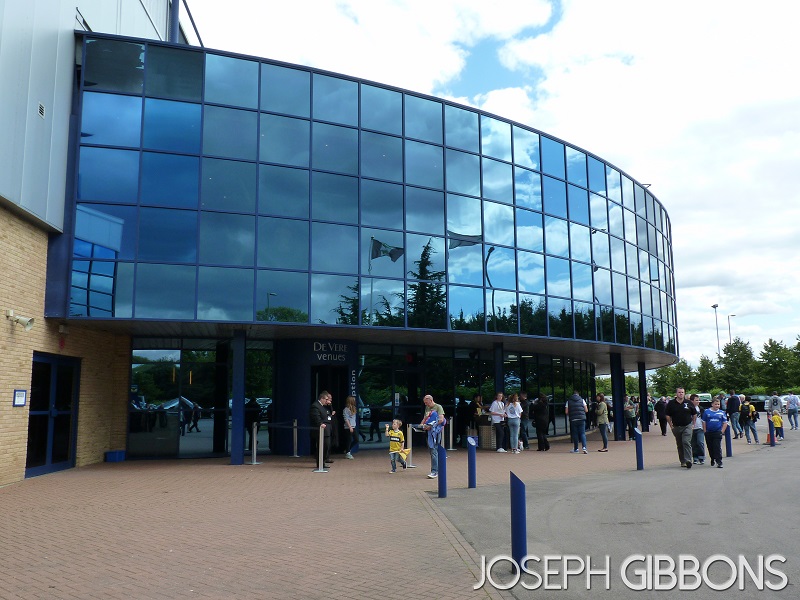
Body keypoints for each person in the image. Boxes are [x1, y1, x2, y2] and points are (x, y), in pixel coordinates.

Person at [665, 387, 695, 468]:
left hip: (687, 425)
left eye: (682, 392)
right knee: (680, 443)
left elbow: (694, 414)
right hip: (676, 426)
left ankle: (688, 460)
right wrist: (671, 425)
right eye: (679, 392)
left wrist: (693, 424)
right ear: (676, 393)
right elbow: (667, 415)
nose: (681, 394)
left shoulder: (688, 403)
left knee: (686, 441)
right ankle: (683, 461)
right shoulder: (671, 403)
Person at [420, 395, 444, 478]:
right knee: (432, 450)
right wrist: (421, 425)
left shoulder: (438, 407)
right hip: (429, 432)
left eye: (426, 403)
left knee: (434, 450)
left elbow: (441, 419)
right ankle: (437, 469)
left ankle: (435, 471)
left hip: (435, 432)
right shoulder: (427, 408)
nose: (426, 405)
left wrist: (431, 426)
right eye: (425, 403)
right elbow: (425, 418)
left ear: (430, 400)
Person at [702, 397, 728, 468]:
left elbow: (725, 423)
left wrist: (722, 431)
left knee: (717, 447)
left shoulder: (722, 413)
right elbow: (704, 422)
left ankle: (719, 461)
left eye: (718, 404)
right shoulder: (707, 412)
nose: (717, 406)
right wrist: (705, 431)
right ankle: (712, 458)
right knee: (710, 447)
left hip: (717, 432)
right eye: (715, 404)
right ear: (712, 404)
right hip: (709, 432)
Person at [309, 391, 332, 468]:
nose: (327, 401)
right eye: (326, 399)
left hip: (327, 429)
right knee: (323, 446)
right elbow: (316, 417)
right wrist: (320, 424)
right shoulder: (315, 406)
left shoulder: (324, 406)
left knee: (327, 446)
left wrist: (330, 405)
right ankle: (320, 463)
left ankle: (323, 462)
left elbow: (329, 414)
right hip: (321, 430)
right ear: (321, 398)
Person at [689, 394, 705, 465]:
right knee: (693, 444)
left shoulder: (701, 408)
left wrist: (704, 428)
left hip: (700, 428)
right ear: (692, 401)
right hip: (691, 428)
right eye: (696, 400)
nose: (698, 401)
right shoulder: (689, 408)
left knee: (700, 442)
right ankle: (695, 457)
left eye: (698, 400)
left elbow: (704, 419)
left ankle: (701, 457)